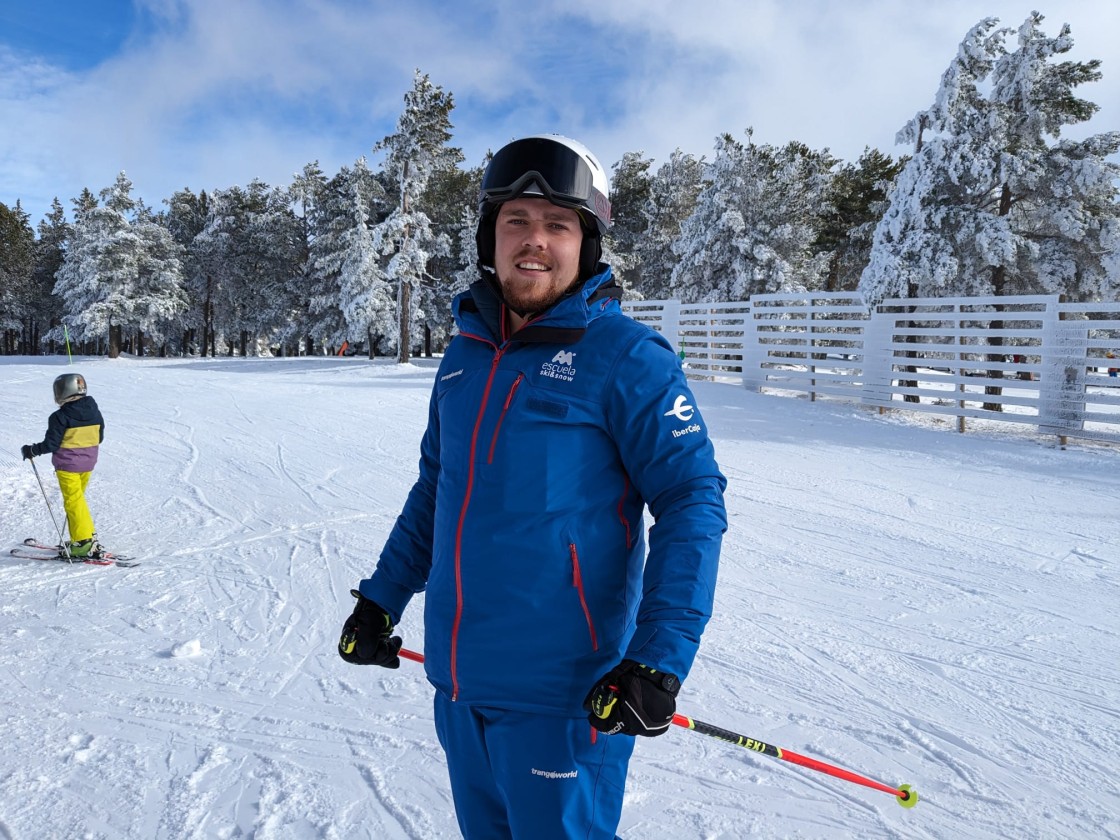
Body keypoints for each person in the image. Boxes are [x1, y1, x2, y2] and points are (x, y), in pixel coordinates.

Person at [338, 134, 727, 839]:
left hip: (566, 701)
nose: (534, 241)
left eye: (558, 225)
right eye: (517, 221)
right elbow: (437, 488)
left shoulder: (627, 360)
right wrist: (381, 600)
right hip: (461, 686)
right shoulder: (465, 355)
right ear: (491, 236)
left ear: (587, 245)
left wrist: (658, 661)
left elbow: (692, 501)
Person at [21, 372, 106, 558]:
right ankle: (84, 539)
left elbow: (51, 444)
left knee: (73, 502)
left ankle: (84, 542)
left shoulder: (59, 416)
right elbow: (100, 436)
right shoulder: (94, 411)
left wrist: (32, 450)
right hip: (88, 463)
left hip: (68, 466)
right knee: (77, 502)